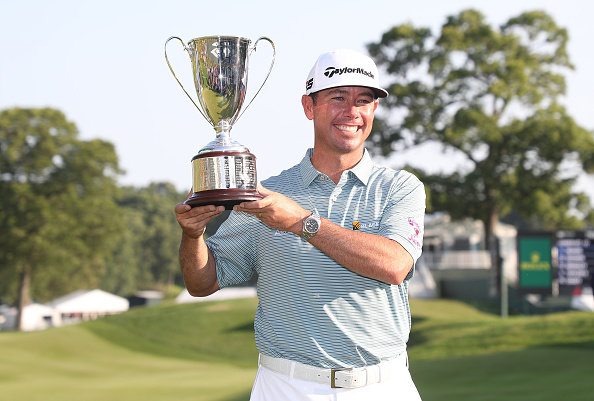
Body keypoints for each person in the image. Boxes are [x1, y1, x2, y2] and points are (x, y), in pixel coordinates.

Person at [175, 49, 426, 400]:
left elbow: (395, 265)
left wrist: (301, 222)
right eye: (338, 97)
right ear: (309, 107)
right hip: (286, 386)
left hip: (382, 386)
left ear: (374, 110)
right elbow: (202, 283)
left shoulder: (400, 187)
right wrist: (193, 235)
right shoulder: (265, 195)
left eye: (363, 100)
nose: (351, 112)